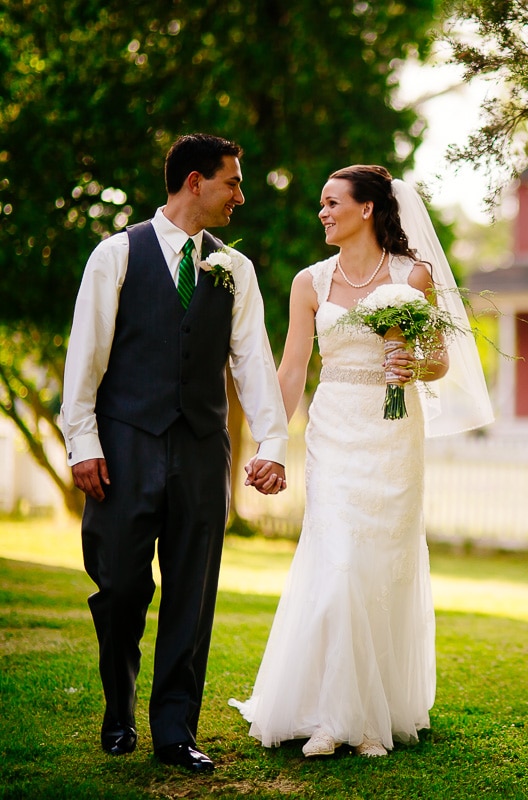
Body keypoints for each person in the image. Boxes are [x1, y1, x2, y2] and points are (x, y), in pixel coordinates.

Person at [230, 166, 492, 757]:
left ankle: (375, 718)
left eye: (331, 202)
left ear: (368, 208)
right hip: (334, 430)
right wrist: (273, 442)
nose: (321, 213)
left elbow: (439, 363)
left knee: (380, 565)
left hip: (394, 434)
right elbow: (293, 368)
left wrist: (411, 367)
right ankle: (332, 717)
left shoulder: (412, 276)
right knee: (340, 561)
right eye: (320, 204)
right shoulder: (310, 282)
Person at [61, 133, 289, 774]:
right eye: (232, 183)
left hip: (200, 449)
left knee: (193, 591)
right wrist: (83, 443)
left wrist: (272, 442)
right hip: (124, 447)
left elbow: (253, 364)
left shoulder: (233, 269)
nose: (239, 196)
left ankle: (174, 730)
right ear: (195, 181)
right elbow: (86, 359)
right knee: (120, 587)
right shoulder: (115, 255)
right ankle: (118, 706)